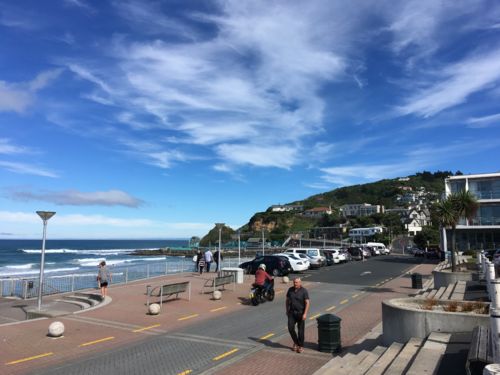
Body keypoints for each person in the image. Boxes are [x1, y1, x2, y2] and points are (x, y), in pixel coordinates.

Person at [286, 277, 310, 353]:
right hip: (292, 313)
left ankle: (301, 346)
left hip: (301, 313)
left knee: (300, 331)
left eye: (296, 282)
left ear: (300, 283)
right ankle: (296, 343)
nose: (295, 284)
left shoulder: (304, 291)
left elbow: (307, 303)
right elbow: (287, 300)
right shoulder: (290, 290)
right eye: (294, 282)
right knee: (290, 328)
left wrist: (305, 313)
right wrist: (287, 310)